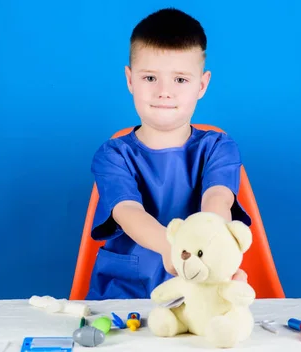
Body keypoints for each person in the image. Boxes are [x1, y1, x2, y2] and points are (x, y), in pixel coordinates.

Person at [85, 8, 252, 300]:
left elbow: (218, 199)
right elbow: (128, 212)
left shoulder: (219, 147)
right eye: (150, 78)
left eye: (180, 80)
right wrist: (175, 249)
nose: (164, 92)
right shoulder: (113, 154)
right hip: (126, 292)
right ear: (130, 80)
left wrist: (207, 255)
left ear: (201, 84)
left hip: (198, 291)